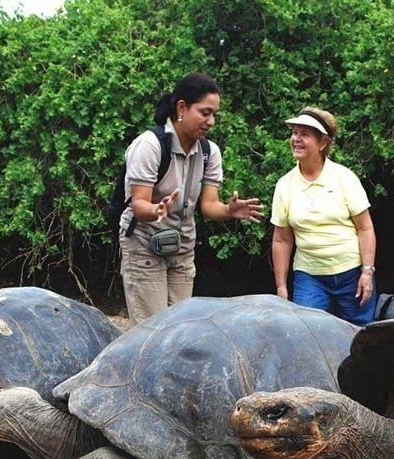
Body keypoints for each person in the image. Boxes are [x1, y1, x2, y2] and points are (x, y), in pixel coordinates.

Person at [119, 72, 264, 324]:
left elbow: (208, 206)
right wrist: (156, 210)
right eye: (205, 112)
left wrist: (229, 211)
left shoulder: (209, 152)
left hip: (182, 248)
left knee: (182, 328)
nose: (211, 122)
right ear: (182, 108)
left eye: (214, 114)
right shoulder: (150, 145)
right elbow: (139, 204)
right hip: (143, 245)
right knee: (150, 330)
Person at [270, 108, 377, 326]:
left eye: (305, 134)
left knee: (361, 334)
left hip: (351, 273)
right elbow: (282, 239)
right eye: (294, 133)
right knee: (306, 331)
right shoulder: (285, 184)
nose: (296, 139)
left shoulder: (344, 178)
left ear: (322, 143)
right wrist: (281, 287)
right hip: (310, 275)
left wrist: (367, 272)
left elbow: (365, 228)